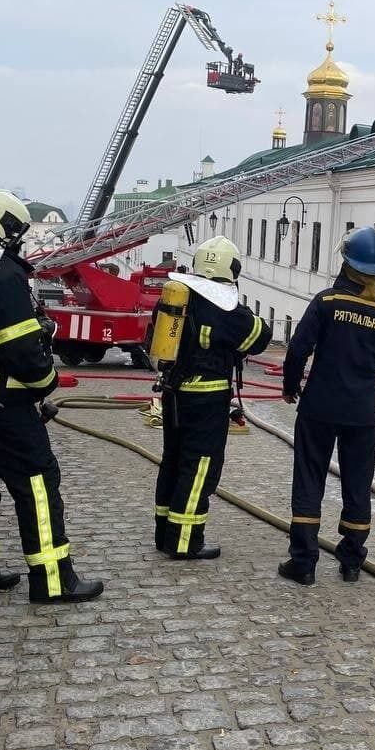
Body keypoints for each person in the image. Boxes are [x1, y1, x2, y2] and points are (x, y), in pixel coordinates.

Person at [0, 189, 104, 603]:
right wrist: (45, 381)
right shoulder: (2, 274)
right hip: (6, 405)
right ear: (9, 228)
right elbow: (21, 352)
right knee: (37, 482)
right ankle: (53, 580)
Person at [278, 227, 375, 586]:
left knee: (309, 479)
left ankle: (303, 562)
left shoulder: (327, 302)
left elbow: (298, 350)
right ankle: (351, 561)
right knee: (357, 484)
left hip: (319, 406)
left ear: (347, 264)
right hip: (363, 413)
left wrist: (291, 387)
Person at [153, 236, 272, 559]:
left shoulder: (178, 294)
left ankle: (164, 532)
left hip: (173, 393)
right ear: (231, 268)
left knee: (173, 460)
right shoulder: (225, 306)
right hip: (207, 399)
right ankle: (185, 541)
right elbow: (259, 336)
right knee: (200, 465)